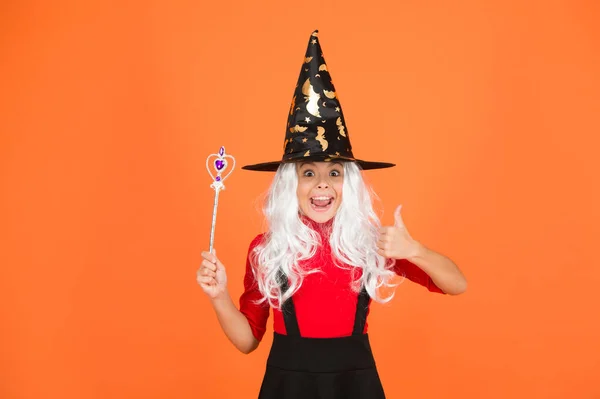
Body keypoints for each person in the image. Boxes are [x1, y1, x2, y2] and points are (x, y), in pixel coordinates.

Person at [197, 30, 467, 399]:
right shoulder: (267, 248)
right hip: (286, 387)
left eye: (334, 173)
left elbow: (457, 284)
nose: (321, 184)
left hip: (355, 386)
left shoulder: (373, 244)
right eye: (308, 172)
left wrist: (414, 249)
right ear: (290, 185)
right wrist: (217, 296)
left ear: (348, 184)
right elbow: (246, 341)